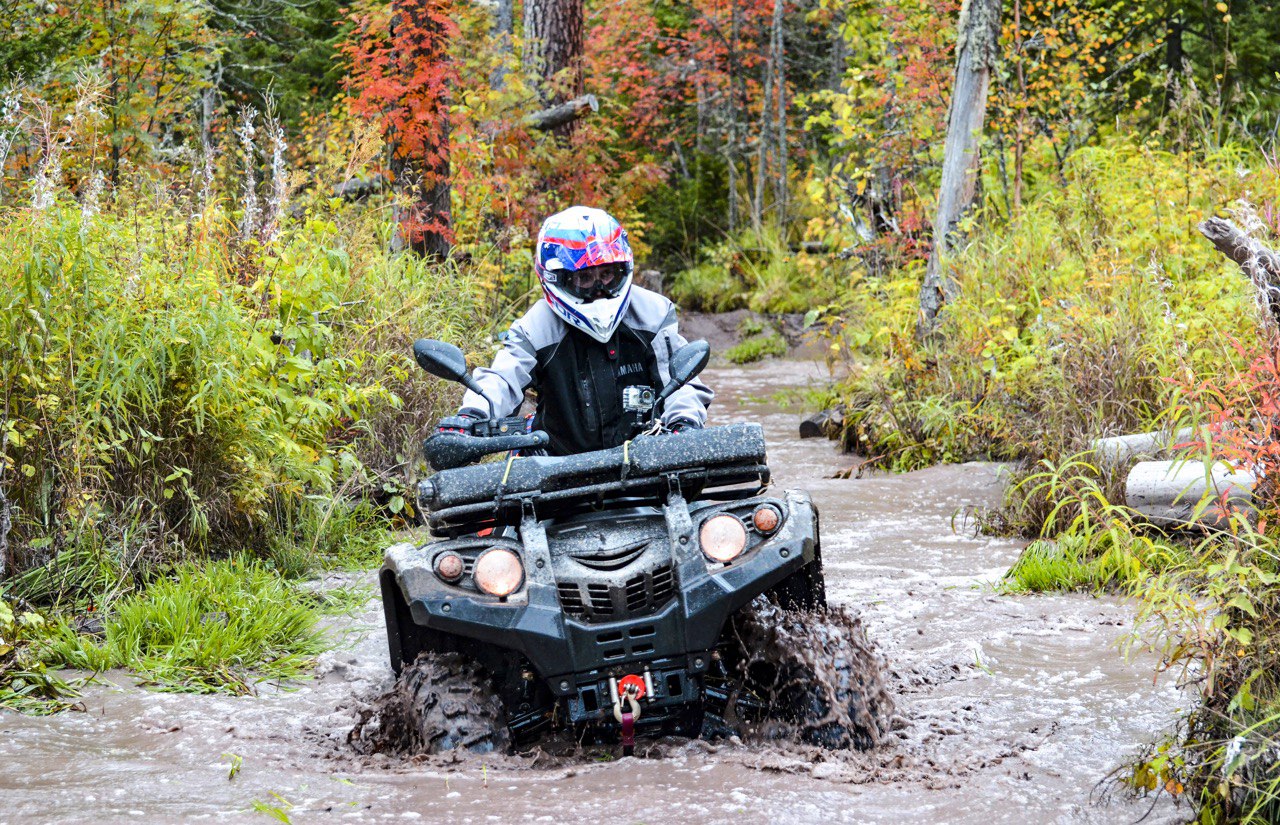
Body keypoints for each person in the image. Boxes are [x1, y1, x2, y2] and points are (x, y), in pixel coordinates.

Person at [441, 206, 713, 456]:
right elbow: (502, 378)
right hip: (557, 469)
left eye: (606, 275)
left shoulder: (652, 313)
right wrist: (470, 416)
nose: (598, 289)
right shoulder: (535, 327)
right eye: (584, 278)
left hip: (647, 461)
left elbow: (681, 381)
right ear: (558, 278)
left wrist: (684, 423)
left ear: (622, 269)